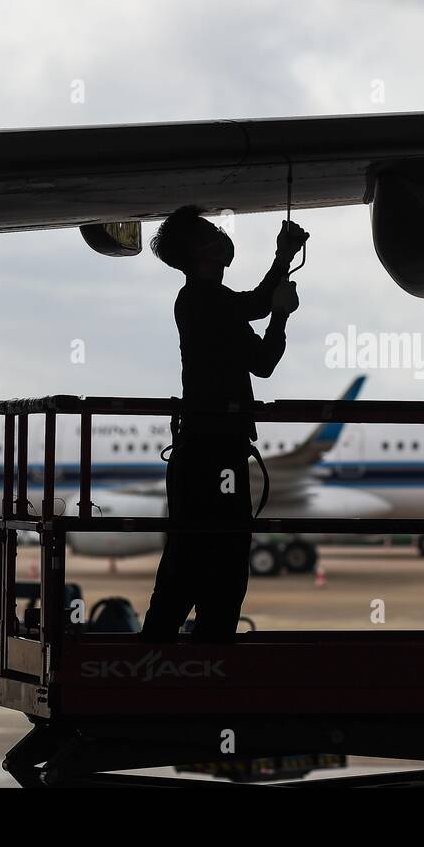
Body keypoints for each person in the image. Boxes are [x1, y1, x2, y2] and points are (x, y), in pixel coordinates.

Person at [140, 206, 306, 643]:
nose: (220, 236)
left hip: (209, 451)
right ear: (198, 249)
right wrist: (282, 264)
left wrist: (279, 312)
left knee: (195, 563)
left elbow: (262, 359)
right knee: (217, 565)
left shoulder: (211, 306)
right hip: (213, 454)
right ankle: (202, 661)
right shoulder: (202, 299)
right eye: (211, 232)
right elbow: (254, 311)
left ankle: (159, 665)